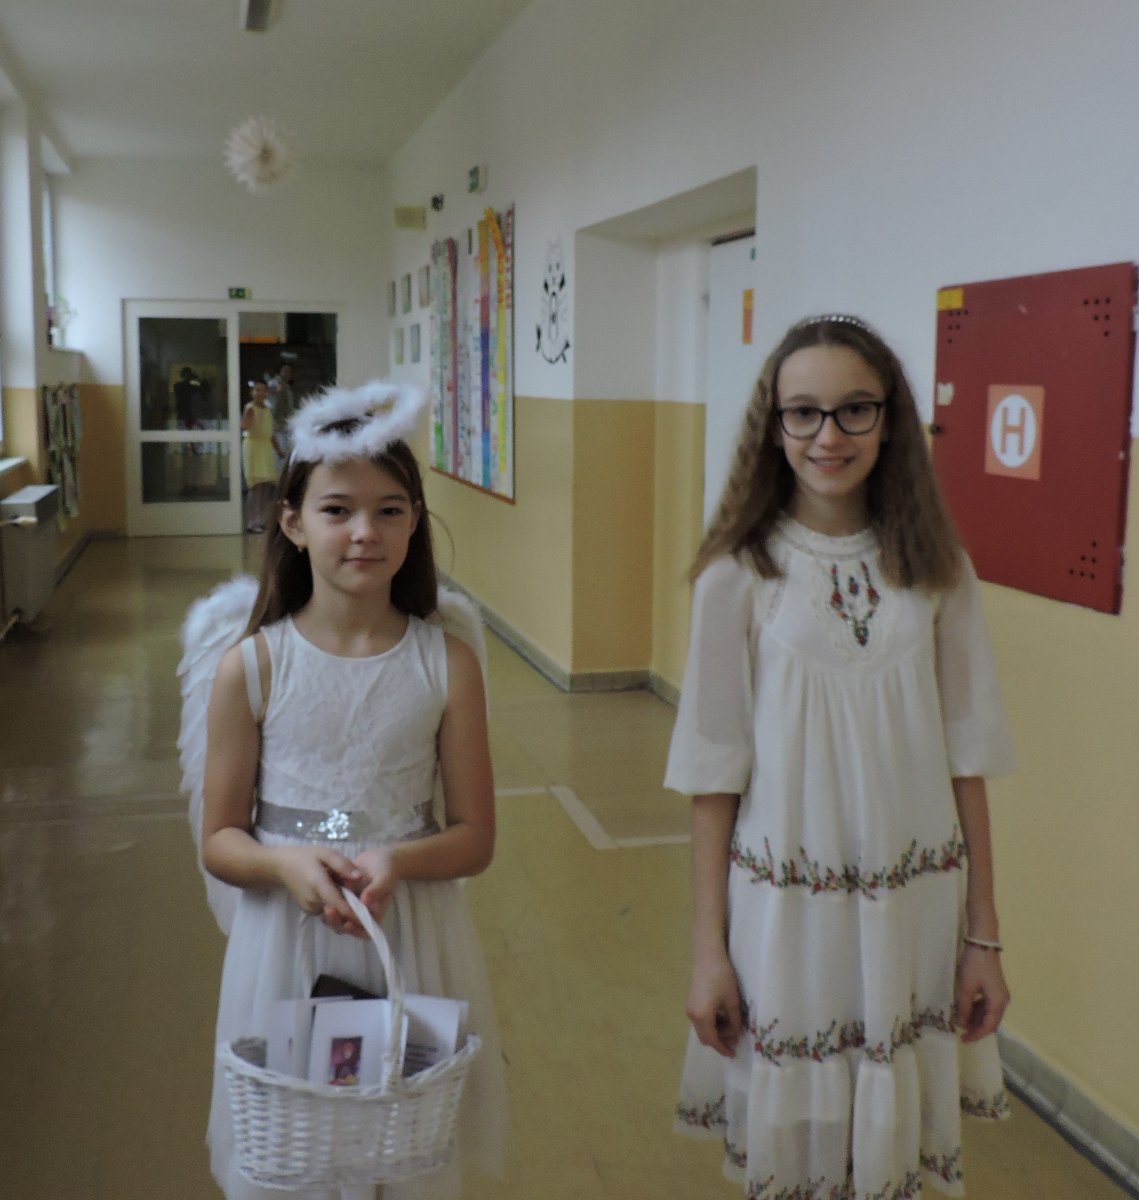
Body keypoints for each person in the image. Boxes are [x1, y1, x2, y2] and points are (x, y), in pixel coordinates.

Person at [666, 315, 1014, 1199]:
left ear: (889, 420)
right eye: (804, 413)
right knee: (801, 1147)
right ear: (773, 426)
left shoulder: (937, 570)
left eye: (854, 409)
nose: (828, 436)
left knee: (890, 1149)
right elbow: (711, 779)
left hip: (914, 908)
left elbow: (966, 760)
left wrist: (982, 936)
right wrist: (708, 951)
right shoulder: (737, 576)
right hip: (788, 915)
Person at [200, 381, 507, 1200]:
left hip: (408, 930)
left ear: (414, 522)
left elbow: (474, 834)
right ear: (293, 522)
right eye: (337, 510)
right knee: (296, 1150)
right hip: (286, 937)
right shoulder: (252, 667)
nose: (365, 532)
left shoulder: (446, 662)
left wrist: (397, 860)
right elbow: (220, 838)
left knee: (401, 1149)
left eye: (389, 511)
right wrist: (285, 864)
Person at [241, 380, 283, 533]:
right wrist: (248, 418)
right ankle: (251, 522)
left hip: (265, 448)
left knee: (265, 485)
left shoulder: (268, 409)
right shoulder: (249, 408)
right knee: (255, 486)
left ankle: (261, 520)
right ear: (252, 392)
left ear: (267, 393)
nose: (260, 393)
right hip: (253, 447)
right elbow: (244, 427)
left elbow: (270, 433)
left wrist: (278, 450)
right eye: (257, 390)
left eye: (263, 390)